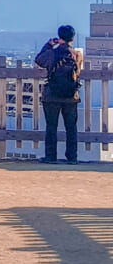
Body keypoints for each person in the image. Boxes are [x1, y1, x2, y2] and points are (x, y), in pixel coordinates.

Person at [34, 24, 84, 164]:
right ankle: (72, 157)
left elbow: (39, 60)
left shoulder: (52, 53)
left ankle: (51, 156)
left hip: (52, 95)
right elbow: (78, 72)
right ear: (72, 38)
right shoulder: (77, 55)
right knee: (71, 128)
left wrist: (49, 45)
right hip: (71, 95)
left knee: (51, 126)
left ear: (59, 37)